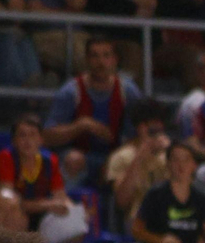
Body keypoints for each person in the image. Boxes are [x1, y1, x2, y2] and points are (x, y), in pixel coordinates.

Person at [43, 36, 141, 165]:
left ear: (115, 60)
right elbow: (47, 136)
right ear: (87, 60)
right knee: (73, 159)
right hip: (80, 156)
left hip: (118, 157)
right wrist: (81, 125)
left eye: (106, 56)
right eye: (95, 56)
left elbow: (141, 134)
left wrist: (120, 153)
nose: (101, 62)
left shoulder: (128, 91)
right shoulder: (71, 91)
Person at [0, 115, 69, 228]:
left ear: (41, 139)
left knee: (72, 220)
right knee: (16, 217)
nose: (28, 141)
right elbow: (8, 203)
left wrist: (68, 207)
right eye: (22, 135)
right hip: (12, 214)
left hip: (42, 214)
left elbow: (60, 197)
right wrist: (46, 204)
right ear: (14, 140)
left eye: (33, 135)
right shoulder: (5, 158)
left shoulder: (50, 160)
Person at [132, 142, 205, 243]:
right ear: (168, 164)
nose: (181, 165)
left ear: (194, 165)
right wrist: (161, 240)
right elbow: (137, 230)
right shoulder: (155, 195)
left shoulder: (202, 200)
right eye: (175, 160)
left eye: (186, 160)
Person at [107, 101, 171, 228]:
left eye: (159, 128)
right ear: (140, 127)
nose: (156, 133)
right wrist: (140, 157)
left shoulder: (170, 153)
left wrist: (171, 153)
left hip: (170, 216)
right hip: (138, 219)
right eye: (152, 129)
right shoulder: (122, 157)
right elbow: (121, 201)